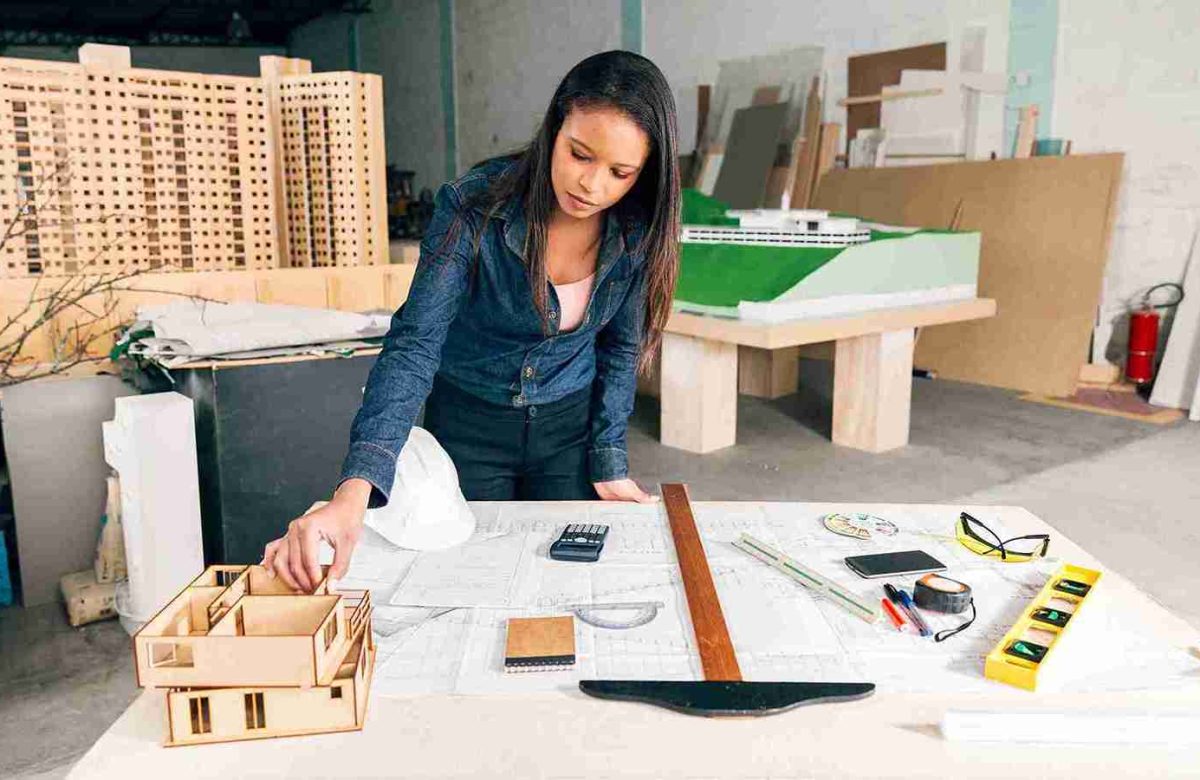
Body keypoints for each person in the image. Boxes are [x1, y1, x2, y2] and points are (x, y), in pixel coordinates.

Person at [262, 50, 681, 591]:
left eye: (620, 172)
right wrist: (354, 492)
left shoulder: (637, 228)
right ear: (555, 127)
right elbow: (415, 343)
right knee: (469, 581)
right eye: (579, 154)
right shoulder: (473, 208)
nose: (593, 186)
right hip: (468, 426)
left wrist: (608, 459)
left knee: (567, 583)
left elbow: (621, 351)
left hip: (567, 431)